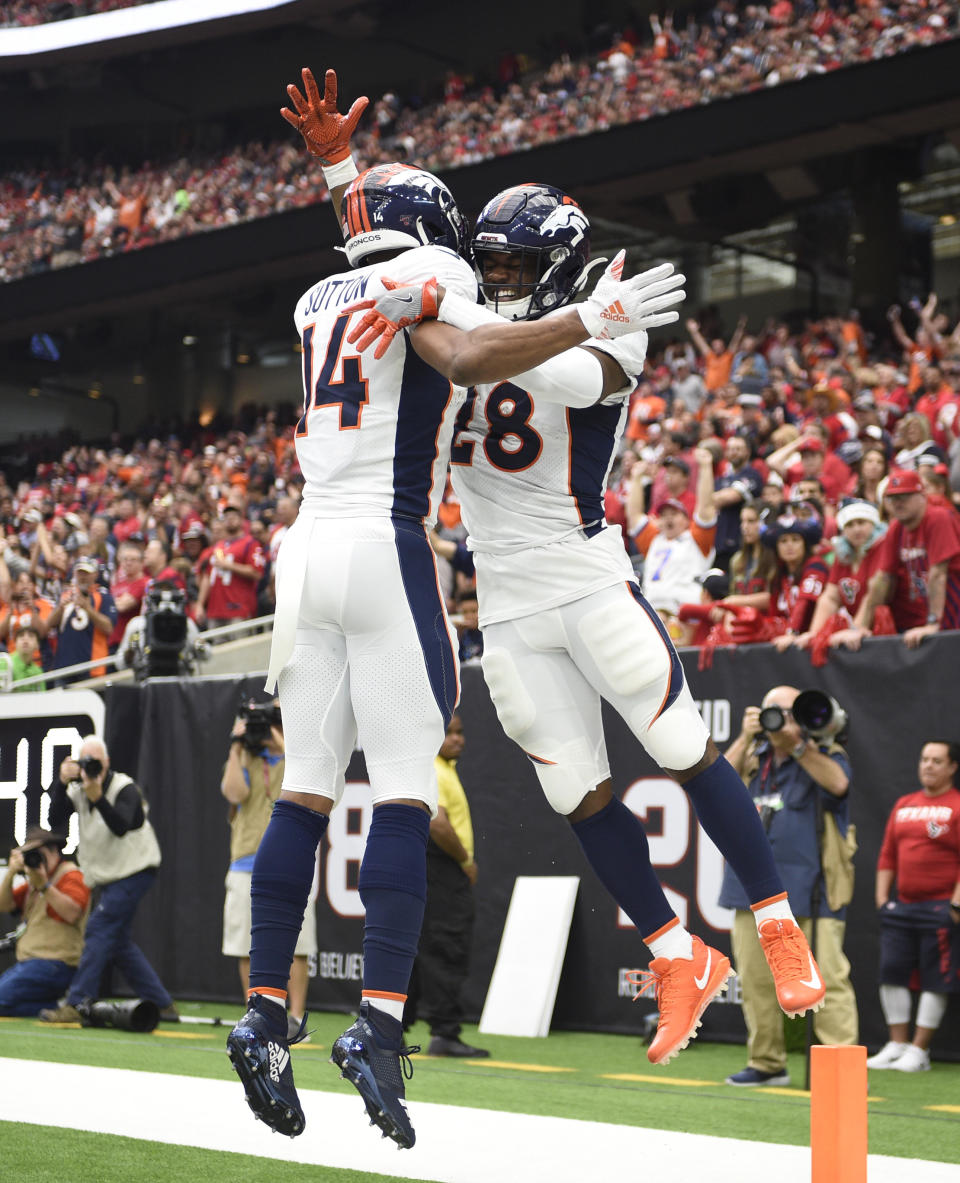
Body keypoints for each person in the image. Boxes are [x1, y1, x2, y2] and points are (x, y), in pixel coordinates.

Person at [225, 65, 685, 1151]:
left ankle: (258, 1013)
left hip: (304, 551)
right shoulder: (434, 266)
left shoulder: (315, 298)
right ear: (435, 233)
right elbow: (470, 350)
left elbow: (364, 239)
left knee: (301, 791)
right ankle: (379, 1027)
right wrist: (587, 317)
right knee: (399, 793)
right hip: (389, 546)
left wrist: (339, 168)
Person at [326, 92, 827, 1078]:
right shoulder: (471, 307)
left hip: (589, 574)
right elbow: (378, 248)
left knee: (683, 745)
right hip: (505, 602)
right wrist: (346, 177)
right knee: (575, 788)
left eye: (516, 267)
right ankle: (677, 950)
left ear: (556, 264)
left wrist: (550, 315)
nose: (499, 279)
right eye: (492, 265)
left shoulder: (611, 312)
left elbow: (567, 378)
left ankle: (776, 923)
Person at [720, 687, 857, 1086]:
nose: (779, 720)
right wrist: (746, 738)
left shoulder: (824, 754)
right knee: (757, 981)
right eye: (771, 712)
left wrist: (797, 746)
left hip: (813, 889)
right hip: (752, 891)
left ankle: (842, 1071)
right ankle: (767, 1064)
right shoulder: (753, 758)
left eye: (787, 712)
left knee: (828, 977)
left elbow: (838, 785)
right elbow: (714, 787)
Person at [39, 736, 176, 1024]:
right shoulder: (79, 789)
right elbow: (53, 820)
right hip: (111, 877)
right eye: (84, 762)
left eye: (95, 763)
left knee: (99, 929)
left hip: (136, 871)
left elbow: (120, 826)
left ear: (107, 763)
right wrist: (61, 783)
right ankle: (162, 1004)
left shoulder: (124, 787)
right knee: (118, 944)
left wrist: (96, 796)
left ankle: (76, 1003)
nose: (89, 769)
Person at [221, 703, 316, 1041]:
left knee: (298, 944)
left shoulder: (298, 757)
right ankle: (256, 1012)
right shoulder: (246, 757)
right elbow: (234, 793)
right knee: (246, 944)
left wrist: (281, 743)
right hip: (246, 859)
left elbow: (308, 783)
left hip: (292, 858)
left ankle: (295, 1017)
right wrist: (236, 746)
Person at [866, 740, 960, 1073]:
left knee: (936, 978)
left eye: (937, 760)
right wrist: (882, 898)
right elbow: (887, 853)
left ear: (952, 767)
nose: (929, 766)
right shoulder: (904, 804)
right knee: (892, 973)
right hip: (900, 907)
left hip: (939, 908)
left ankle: (919, 1051)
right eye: (924, 759)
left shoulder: (956, 805)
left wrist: (956, 904)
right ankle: (897, 1044)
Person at [404, 714, 488, 1058]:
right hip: (440, 867)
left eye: (460, 731)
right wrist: (465, 860)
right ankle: (445, 1032)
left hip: (428, 868)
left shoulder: (440, 768)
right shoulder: (435, 769)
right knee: (447, 948)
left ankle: (393, 1030)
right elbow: (438, 823)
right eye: (448, 733)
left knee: (418, 950)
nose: (458, 739)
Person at [838, 468, 960, 651]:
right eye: (892, 498)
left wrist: (934, 623)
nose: (898, 503)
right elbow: (883, 578)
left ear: (921, 495)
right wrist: (860, 627)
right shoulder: (897, 528)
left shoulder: (938, 517)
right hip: (932, 618)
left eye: (905, 496)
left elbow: (938, 574)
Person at [0, 826, 91, 1016]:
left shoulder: (71, 876)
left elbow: (72, 913)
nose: (35, 860)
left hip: (55, 964)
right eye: (30, 855)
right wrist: (10, 873)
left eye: (38, 854)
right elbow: (4, 905)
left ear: (54, 850)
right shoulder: (35, 881)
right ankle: (54, 1007)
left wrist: (45, 886)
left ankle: (56, 1005)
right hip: (30, 964)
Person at [196, 505, 265, 630]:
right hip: (215, 609)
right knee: (218, 647)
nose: (230, 520)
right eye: (226, 517)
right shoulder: (219, 546)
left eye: (234, 517)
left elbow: (256, 573)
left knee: (239, 646)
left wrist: (229, 565)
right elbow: (208, 575)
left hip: (238, 608)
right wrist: (200, 604)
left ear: (241, 520)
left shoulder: (250, 543)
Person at [46, 557, 116, 680]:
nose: (83, 577)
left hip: (92, 666)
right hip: (64, 667)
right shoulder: (66, 595)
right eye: (80, 573)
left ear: (95, 575)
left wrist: (88, 609)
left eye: (87, 573)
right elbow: (49, 624)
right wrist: (61, 607)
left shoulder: (104, 597)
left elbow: (108, 628)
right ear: (75, 574)